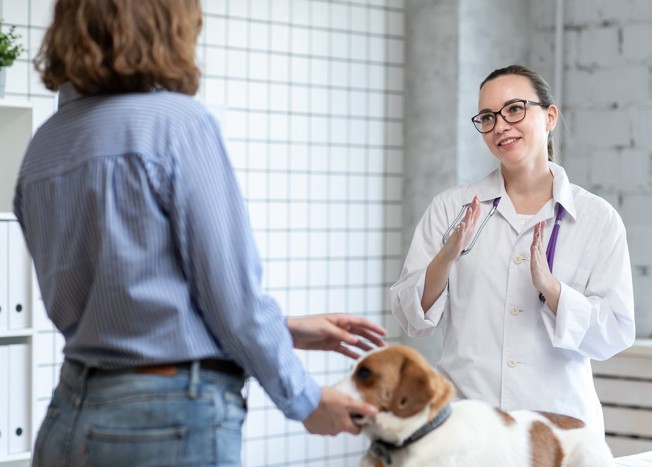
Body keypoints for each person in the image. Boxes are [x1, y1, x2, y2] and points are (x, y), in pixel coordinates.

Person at [14, 1, 385, 466]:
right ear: (166, 25)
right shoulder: (177, 125)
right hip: (166, 418)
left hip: (69, 415)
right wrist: (308, 399)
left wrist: (286, 329)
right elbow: (233, 301)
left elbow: (118, 310)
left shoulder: (44, 145)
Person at [390, 64, 635, 434]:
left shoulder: (597, 219)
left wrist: (552, 290)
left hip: (559, 430)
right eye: (487, 117)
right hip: (470, 423)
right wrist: (446, 257)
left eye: (515, 109)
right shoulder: (450, 208)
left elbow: (614, 333)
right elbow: (410, 317)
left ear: (549, 116)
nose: (500, 125)